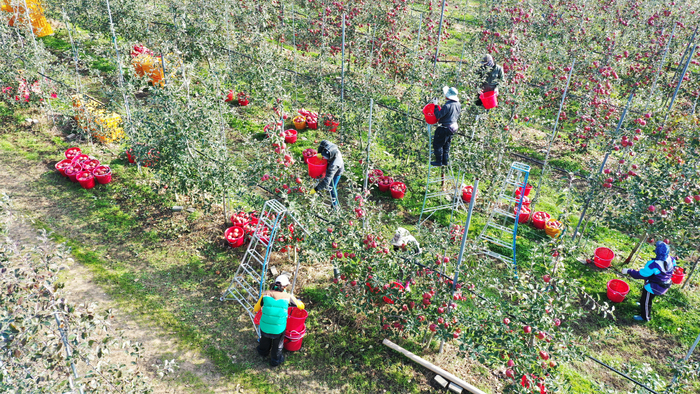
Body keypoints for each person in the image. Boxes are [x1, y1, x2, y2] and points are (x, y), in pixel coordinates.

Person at [254, 274, 305, 366]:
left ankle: (263, 352)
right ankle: (275, 360)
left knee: (264, 339)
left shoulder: (265, 294)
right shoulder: (288, 297)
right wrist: (298, 301)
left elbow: (256, 309)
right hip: (278, 328)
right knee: (278, 345)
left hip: (264, 326)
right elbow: (301, 306)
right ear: (285, 286)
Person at [622, 241, 676, 322]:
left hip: (653, 287)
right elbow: (673, 267)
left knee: (646, 302)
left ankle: (646, 317)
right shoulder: (671, 259)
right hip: (665, 284)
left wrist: (629, 271)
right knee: (647, 297)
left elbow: (641, 274)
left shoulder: (653, 265)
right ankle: (642, 304)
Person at [430, 86, 461, 167]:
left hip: (446, 127)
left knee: (438, 144)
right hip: (453, 127)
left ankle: (438, 161)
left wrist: (435, 105)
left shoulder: (447, 105)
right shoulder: (458, 104)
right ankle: (445, 161)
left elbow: (438, 115)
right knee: (446, 144)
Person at [309, 140, 344, 207]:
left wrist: (315, 189)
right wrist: (319, 152)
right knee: (325, 175)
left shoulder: (334, 165)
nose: (323, 158)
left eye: (325, 157)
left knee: (332, 186)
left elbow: (326, 182)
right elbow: (322, 142)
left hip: (337, 171)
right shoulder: (329, 146)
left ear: (330, 157)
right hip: (329, 164)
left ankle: (335, 204)